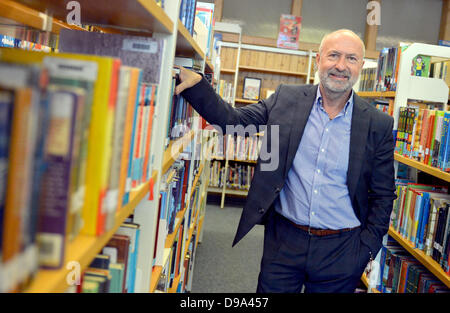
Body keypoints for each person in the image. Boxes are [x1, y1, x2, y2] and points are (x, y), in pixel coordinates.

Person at [175, 29, 396, 293]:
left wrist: (366, 250)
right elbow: (233, 121)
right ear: (318, 60)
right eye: (333, 55)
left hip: (342, 251)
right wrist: (198, 85)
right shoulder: (286, 98)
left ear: (360, 66)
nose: (340, 66)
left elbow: (383, 195)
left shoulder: (378, 124)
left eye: (351, 58)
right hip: (284, 242)